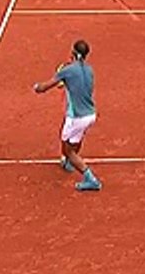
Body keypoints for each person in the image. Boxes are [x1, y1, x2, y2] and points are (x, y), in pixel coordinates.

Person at [33, 39, 102, 192]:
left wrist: (37, 87)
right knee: (75, 140)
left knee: (67, 150)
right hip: (90, 115)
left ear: (73, 53)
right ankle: (70, 163)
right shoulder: (90, 70)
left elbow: (45, 87)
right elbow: (79, 87)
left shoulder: (68, 70)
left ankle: (90, 178)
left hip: (76, 117)